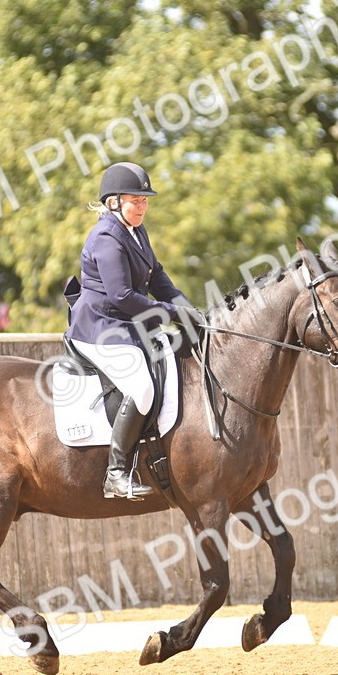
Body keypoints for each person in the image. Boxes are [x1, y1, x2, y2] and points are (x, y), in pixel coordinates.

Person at [66, 162, 206, 500]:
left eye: (145, 201)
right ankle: (115, 472)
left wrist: (191, 311)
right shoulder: (105, 237)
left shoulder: (135, 231)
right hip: (100, 327)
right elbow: (122, 296)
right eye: (135, 200)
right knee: (142, 386)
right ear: (114, 202)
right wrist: (174, 314)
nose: (142, 207)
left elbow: (158, 277)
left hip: (126, 323)